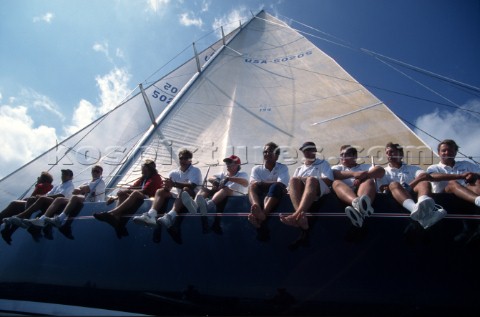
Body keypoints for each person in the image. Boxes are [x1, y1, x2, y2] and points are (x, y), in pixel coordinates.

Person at [21, 165, 106, 239]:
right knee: (59, 200)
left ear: (101, 173)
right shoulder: (86, 182)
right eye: (93, 170)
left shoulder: (101, 182)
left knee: (73, 198)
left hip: (92, 204)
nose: (95, 172)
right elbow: (75, 191)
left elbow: (83, 190)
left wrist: (82, 189)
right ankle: (42, 220)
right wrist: (82, 189)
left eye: (97, 171)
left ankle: (60, 219)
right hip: (81, 201)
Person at [132, 149, 203, 231]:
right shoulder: (173, 173)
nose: (183, 160)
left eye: (186, 158)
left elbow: (192, 186)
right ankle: (151, 215)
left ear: (190, 160)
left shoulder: (195, 170)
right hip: (180, 197)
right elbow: (168, 188)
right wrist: (166, 186)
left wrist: (174, 184)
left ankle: (170, 216)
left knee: (185, 190)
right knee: (160, 191)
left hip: (193, 198)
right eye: (181, 158)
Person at [378, 142, 446, 229]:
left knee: (424, 183)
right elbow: (383, 188)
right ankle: (418, 210)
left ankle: (422, 208)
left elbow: (424, 176)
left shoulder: (413, 168)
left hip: (412, 191)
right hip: (394, 198)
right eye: (387, 153)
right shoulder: (384, 172)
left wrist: (408, 186)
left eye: (392, 152)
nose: (389, 155)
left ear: (401, 154)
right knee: (394, 184)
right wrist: (400, 187)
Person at [92, 159, 163, 238]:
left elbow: (145, 191)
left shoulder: (156, 177)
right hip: (142, 197)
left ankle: (112, 213)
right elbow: (132, 187)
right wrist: (115, 197)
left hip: (150, 199)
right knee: (121, 193)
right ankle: (116, 219)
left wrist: (128, 190)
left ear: (148, 168)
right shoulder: (143, 178)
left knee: (135, 193)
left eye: (143, 167)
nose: (141, 169)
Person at [279, 141, 333, 230]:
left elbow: (328, 181)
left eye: (309, 149)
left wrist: (307, 179)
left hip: (319, 190)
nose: (307, 152)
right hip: (304, 192)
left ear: (315, 150)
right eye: (304, 150)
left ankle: (295, 216)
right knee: (293, 179)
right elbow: (290, 189)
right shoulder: (299, 169)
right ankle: (301, 217)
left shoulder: (323, 163)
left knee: (311, 179)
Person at [331, 145, 385, 228]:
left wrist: (363, 176)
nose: (343, 157)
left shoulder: (365, 167)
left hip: (363, 192)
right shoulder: (337, 167)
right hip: (345, 195)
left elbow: (381, 171)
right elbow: (334, 174)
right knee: (335, 182)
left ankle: (359, 209)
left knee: (368, 180)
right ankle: (358, 204)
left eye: (347, 154)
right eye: (341, 155)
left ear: (355, 156)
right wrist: (354, 174)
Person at [247, 142, 290, 229]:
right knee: (251, 187)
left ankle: (262, 215)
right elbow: (253, 184)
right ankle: (256, 207)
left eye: (270, 151)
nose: (267, 154)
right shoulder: (256, 169)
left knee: (276, 187)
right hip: (266, 193)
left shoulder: (283, 168)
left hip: (276, 192)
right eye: (265, 152)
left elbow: (281, 184)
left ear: (277, 156)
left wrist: (262, 184)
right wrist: (272, 183)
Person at [426, 139, 480, 205]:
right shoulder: (434, 167)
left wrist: (474, 175)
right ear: (439, 153)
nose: (447, 152)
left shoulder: (466, 164)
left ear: (455, 152)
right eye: (444, 150)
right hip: (444, 198)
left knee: (477, 181)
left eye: (450, 150)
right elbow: (431, 176)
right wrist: (461, 176)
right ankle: (478, 201)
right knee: (452, 183)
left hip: (468, 194)